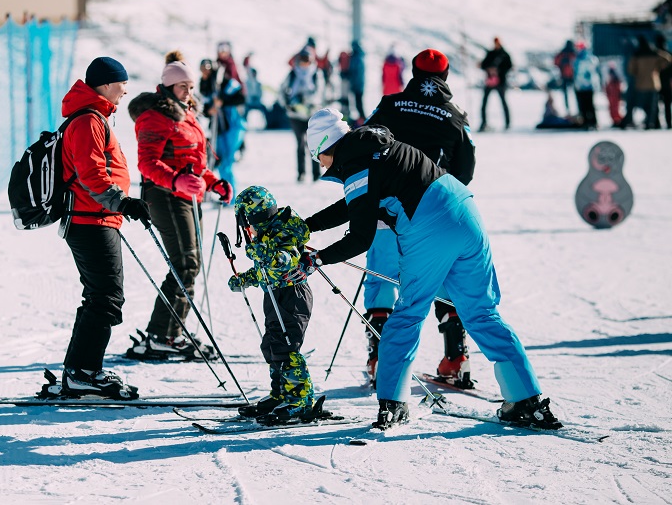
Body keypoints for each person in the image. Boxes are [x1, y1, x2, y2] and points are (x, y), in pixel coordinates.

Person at [303, 108, 562, 431]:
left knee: (409, 312)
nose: (322, 166)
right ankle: (526, 399)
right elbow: (358, 204)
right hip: (464, 210)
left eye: (318, 158)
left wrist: (317, 259)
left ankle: (394, 403)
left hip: (428, 225)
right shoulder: (373, 148)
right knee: (482, 312)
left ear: (324, 148)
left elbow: (361, 235)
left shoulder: (355, 161)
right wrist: (307, 226)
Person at [362, 49, 477, 389]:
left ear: (412, 71)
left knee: (381, 277)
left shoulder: (389, 105)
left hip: (387, 207)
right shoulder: (455, 118)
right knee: (443, 279)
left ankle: (379, 358)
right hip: (434, 212)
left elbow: (363, 145)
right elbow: (466, 172)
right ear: (445, 76)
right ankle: (455, 358)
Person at [125, 51, 232, 361]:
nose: (189, 92)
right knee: (185, 263)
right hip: (165, 195)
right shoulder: (154, 116)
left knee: (188, 265)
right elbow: (147, 163)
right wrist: (176, 182)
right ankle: (165, 334)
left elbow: (194, 163)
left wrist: (213, 182)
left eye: (191, 86)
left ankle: (168, 331)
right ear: (168, 87)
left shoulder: (187, 114)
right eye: (183, 86)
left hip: (189, 195)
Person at [58, 56, 151, 399]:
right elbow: (92, 174)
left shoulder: (92, 117)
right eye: (122, 84)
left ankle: (79, 370)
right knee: (107, 299)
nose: (126, 91)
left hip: (94, 218)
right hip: (90, 220)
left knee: (100, 297)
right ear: (108, 83)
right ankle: (83, 372)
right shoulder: (88, 121)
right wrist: (123, 202)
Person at [229, 186, 320, 424]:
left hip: (292, 295)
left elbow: (287, 259)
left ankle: (300, 400)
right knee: (271, 345)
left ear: (254, 215)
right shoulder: (266, 234)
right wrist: (246, 278)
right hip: (274, 294)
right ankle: (280, 393)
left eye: (245, 219)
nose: (244, 225)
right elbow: (265, 270)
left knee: (286, 346)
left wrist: (267, 255)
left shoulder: (283, 231)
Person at [281, 48, 323, 182]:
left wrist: (308, 101)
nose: (305, 63)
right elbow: (282, 90)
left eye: (307, 60)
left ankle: (316, 173)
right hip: (295, 114)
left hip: (311, 114)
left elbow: (320, 93)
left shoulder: (317, 74)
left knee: (313, 145)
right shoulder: (292, 74)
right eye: (303, 60)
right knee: (300, 143)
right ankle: (301, 173)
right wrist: (288, 103)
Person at [214, 41, 247, 190]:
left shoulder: (231, 69)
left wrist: (223, 101)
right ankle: (225, 193)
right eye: (220, 50)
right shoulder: (216, 68)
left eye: (225, 50)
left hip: (232, 122)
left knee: (227, 161)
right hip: (220, 123)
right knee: (221, 160)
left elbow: (241, 96)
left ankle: (230, 195)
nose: (222, 53)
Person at [625, 35, 672, 129]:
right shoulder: (654, 53)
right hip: (654, 83)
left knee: (643, 105)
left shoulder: (637, 55)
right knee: (653, 106)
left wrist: (637, 73)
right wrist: (658, 68)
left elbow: (630, 69)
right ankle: (652, 123)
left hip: (640, 84)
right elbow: (668, 59)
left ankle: (651, 123)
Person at [478, 37, 512, 131]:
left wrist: (498, 71)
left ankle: (507, 124)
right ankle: (484, 123)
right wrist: (488, 69)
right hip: (490, 81)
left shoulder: (504, 55)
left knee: (503, 103)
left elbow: (509, 66)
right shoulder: (491, 53)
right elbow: (484, 64)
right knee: (484, 103)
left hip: (500, 82)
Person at [573, 43, 599, 130]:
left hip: (584, 86)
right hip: (587, 86)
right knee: (588, 105)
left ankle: (589, 122)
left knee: (585, 105)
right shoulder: (590, 58)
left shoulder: (582, 59)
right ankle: (591, 122)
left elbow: (581, 73)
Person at [553, 40, 577, 114]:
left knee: (567, 94)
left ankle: (568, 109)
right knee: (576, 94)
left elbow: (556, 62)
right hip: (572, 76)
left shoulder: (563, 53)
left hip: (565, 76)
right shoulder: (573, 53)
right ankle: (573, 109)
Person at [654, 34, 672, 129]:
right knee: (667, 105)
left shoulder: (655, 54)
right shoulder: (668, 54)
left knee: (655, 104)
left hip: (656, 82)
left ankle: (657, 123)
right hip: (666, 83)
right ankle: (668, 122)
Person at [348, 40, 367, 121]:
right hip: (358, 84)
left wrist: (354, 84)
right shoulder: (358, 56)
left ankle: (363, 119)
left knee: (358, 104)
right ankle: (362, 118)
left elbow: (357, 72)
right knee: (358, 103)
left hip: (358, 85)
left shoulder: (357, 58)